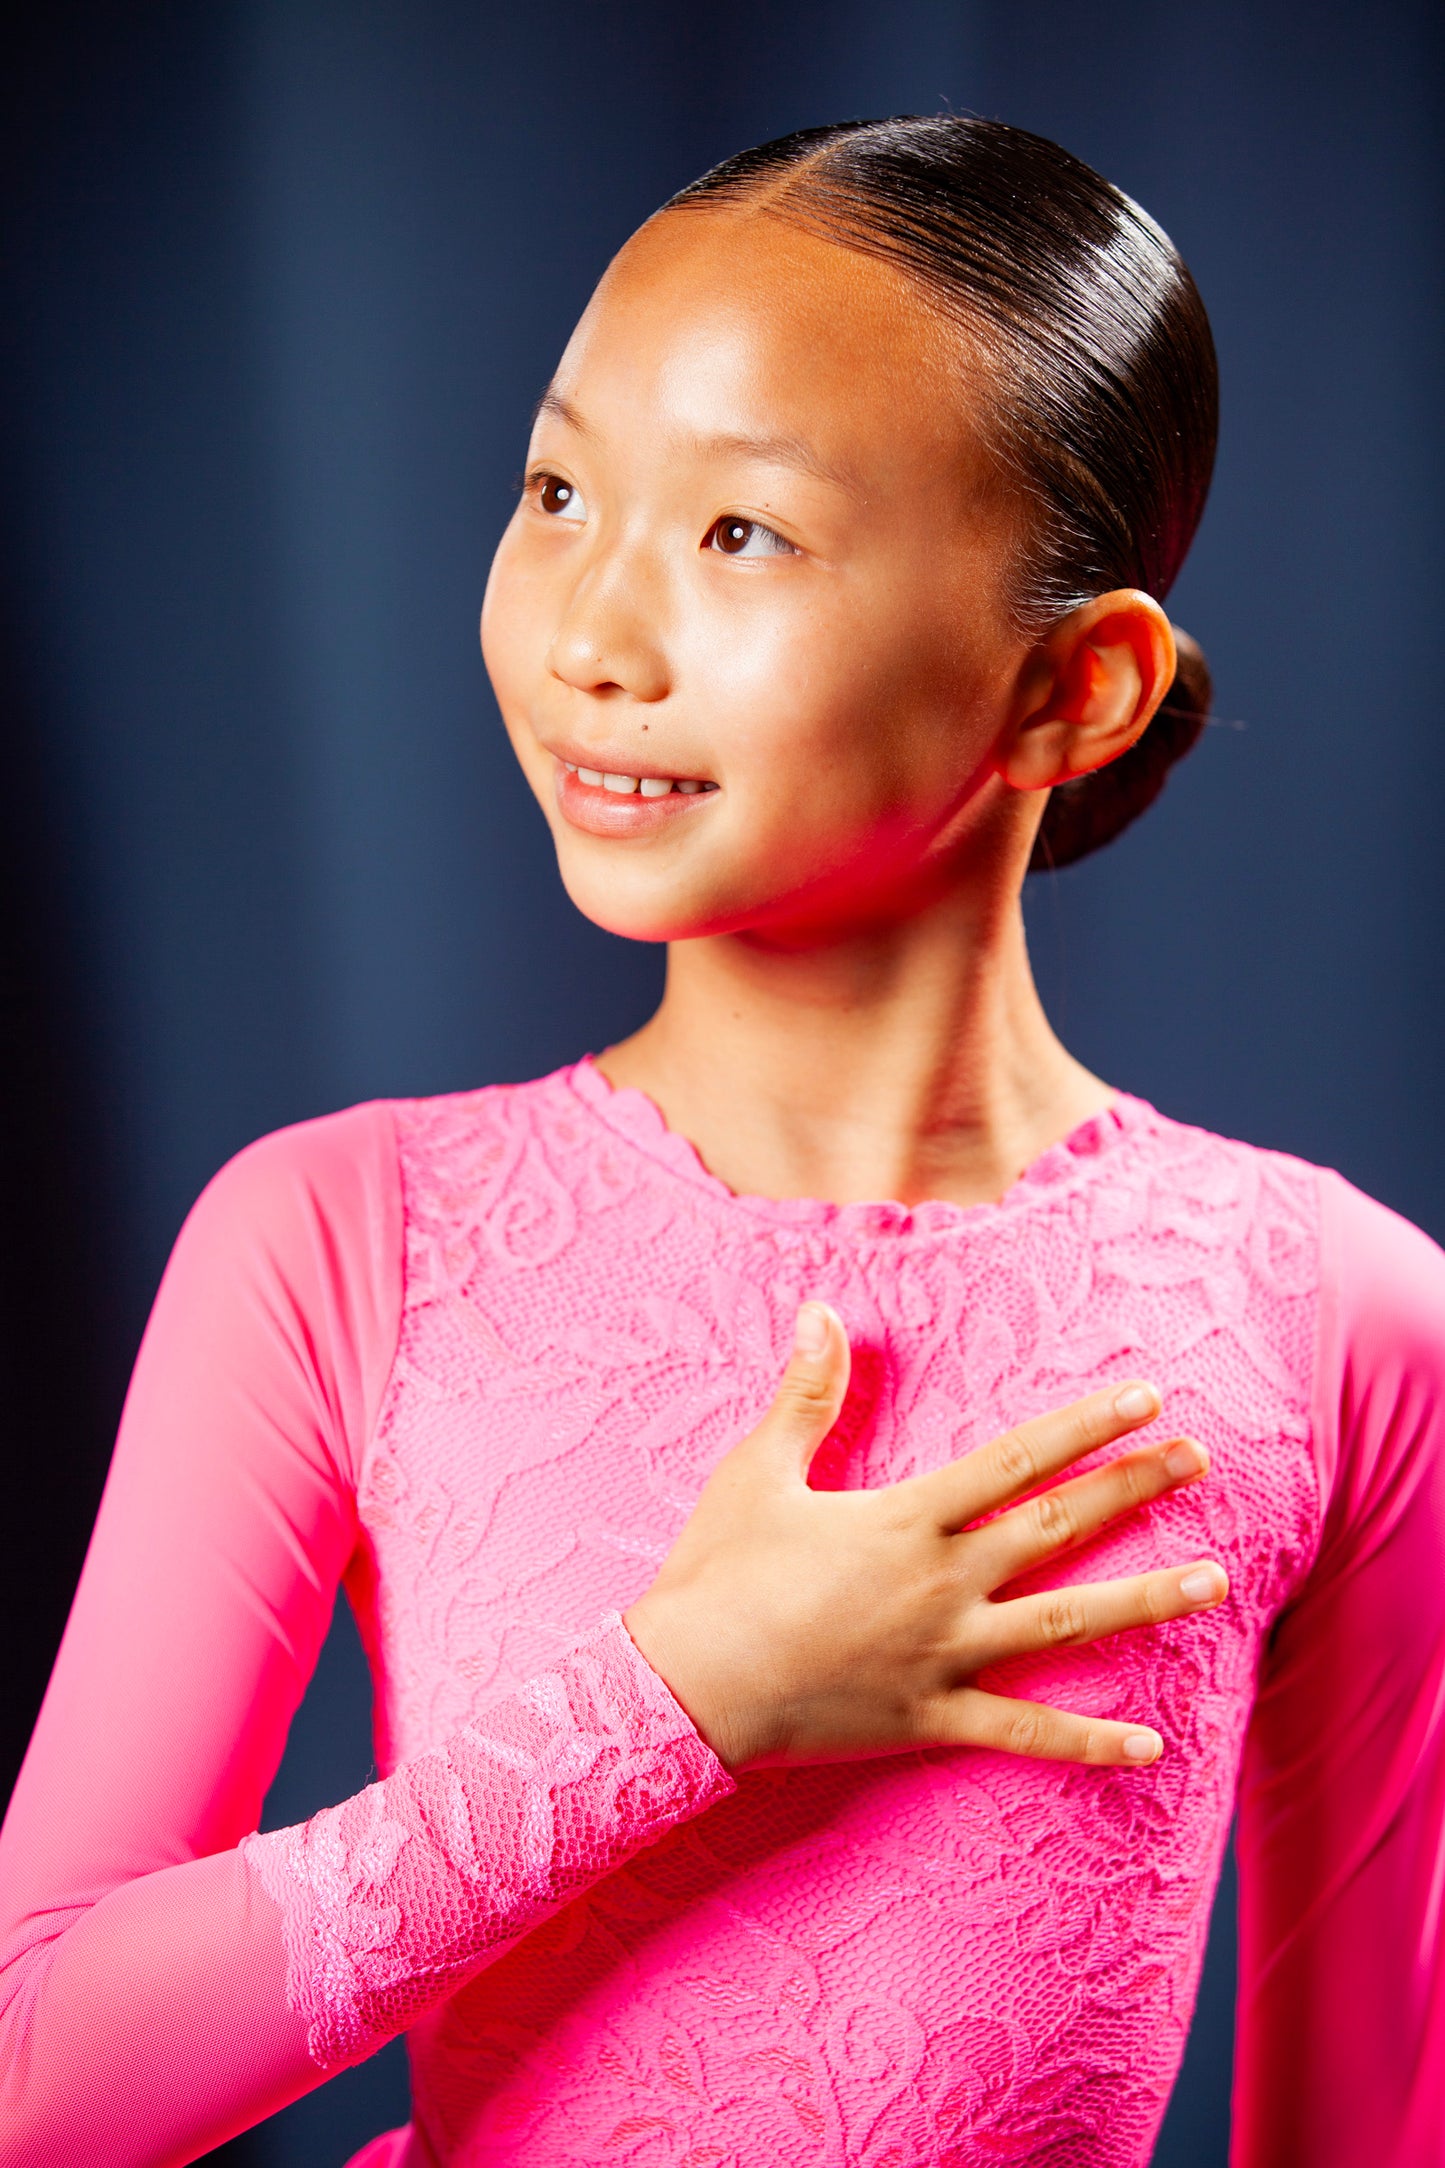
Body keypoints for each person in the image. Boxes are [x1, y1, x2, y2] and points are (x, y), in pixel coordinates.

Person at [1, 114, 1442, 2168]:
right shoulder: (339, 1237)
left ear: (1075, 686)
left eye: (740, 533)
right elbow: (35, 2071)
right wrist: (679, 1696)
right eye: (561, 488)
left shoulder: (1345, 1326)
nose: (590, 626)